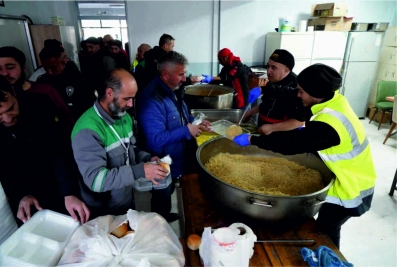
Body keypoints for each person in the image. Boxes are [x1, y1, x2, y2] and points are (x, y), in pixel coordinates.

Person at [233, 64, 377, 249]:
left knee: (324, 233)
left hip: (352, 189)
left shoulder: (329, 125)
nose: (297, 94)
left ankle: (329, 259)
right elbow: (290, 92)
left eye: (301, 91)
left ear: (314, 92)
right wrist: (263, 88)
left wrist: (253, 139)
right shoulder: (331, 99)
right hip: (343, 179)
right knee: (327, 230)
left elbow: (290, 144)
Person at [71, 69, 168, 219]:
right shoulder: (87, 131)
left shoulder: (123, 117)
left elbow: (129, 148)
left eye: (132, 98)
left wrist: (147, 158)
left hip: (124, 199)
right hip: (103, 210)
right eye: (127, 98)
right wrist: (139, 171)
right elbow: (96, 180)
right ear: (110, 93)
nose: (130, 104)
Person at [0, 74, 90, 225]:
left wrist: (69, 192)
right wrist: (20, 195)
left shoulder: (40, 105)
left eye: (11, 108)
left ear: (14, 92)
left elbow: (59, 151)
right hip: (25, 198)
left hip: (58, 183)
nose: (8, 118)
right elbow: (3, 168)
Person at [137, 51, 211, 222]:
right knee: (162, 193)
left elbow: (182, 116)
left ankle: (165, 214)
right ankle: (159, 222)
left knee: (168, 190)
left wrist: (197, 123)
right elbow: (155, 138)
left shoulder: (172, 90)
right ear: (165, 75)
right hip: (161, 159)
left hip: (176, 155)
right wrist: (187, 131)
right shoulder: (151, 99)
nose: (184, 78)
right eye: (181, 74)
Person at [0, 46, 74, 126]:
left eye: (10, 68)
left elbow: (67, 120)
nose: (4, 73)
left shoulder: (45, 91)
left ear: (23, 68)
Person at [243, 49, 306, 134]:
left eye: (273, 68)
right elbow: (267, 103)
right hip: (263, 127)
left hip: (280, 135)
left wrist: (271, 128)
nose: (268, 71)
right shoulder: (273, 81)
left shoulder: (297, 88)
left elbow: (299, 122)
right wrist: (250, 112)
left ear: (286, 70)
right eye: (268, 66)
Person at [37, 45, 95, 120]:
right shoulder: (42, 82)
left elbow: (88, 107)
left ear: (63, 62)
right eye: (45, 68)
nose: (49, 72)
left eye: (53, 67)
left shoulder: (79, 80)